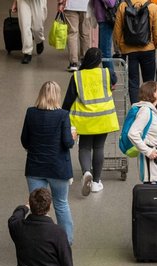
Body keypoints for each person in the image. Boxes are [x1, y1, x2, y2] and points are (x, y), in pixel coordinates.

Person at [21, 81, 76, 245]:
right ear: (57, 96)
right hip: (58, 168)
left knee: (38, 207)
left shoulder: (31, 113)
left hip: (35, 167)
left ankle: (39, 241)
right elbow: (67, 143)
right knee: (61, 204)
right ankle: (65, 241)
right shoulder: (63, 115)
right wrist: (74, 137)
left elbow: (25, 140)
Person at [63, 48, 119, 197]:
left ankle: (86, 172)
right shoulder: (107, 73)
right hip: (104, 118)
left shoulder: (77, 76)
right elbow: (114, 81)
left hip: (84, 119)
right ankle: (96, 182)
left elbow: (68, 100)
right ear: (99, 61)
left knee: (85, 147)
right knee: (99, 147)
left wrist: (62, 115)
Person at [114, 0, 157, 104]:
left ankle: (136, 110)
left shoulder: (123, 6)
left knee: (133, 83)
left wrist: (121, 46)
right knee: (149, 82)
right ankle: (149, 109)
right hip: (148, 50)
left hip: (128, 50)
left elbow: (117, 31)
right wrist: (154, 45)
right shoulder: (153, 7)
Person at [128, 81, 157, 184]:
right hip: (153, 168)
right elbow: (132, 133)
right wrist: (148, 151)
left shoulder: (152, 110)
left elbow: (151, 133)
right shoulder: (145, 111)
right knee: (156, 195)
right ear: (152, 93)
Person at [58, 0, 91, 72]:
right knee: (85, 34)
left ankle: (73, 63)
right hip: (86, 6)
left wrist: (60, 3)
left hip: (70, 6)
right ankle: (85, 61)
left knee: (72, 34)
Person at [92, 0, 120, 81]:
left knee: (105, 52)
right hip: (103, 18)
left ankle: (111, 79)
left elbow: (111, 3)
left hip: (106, 19)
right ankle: (109, 78)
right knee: (103, 51)